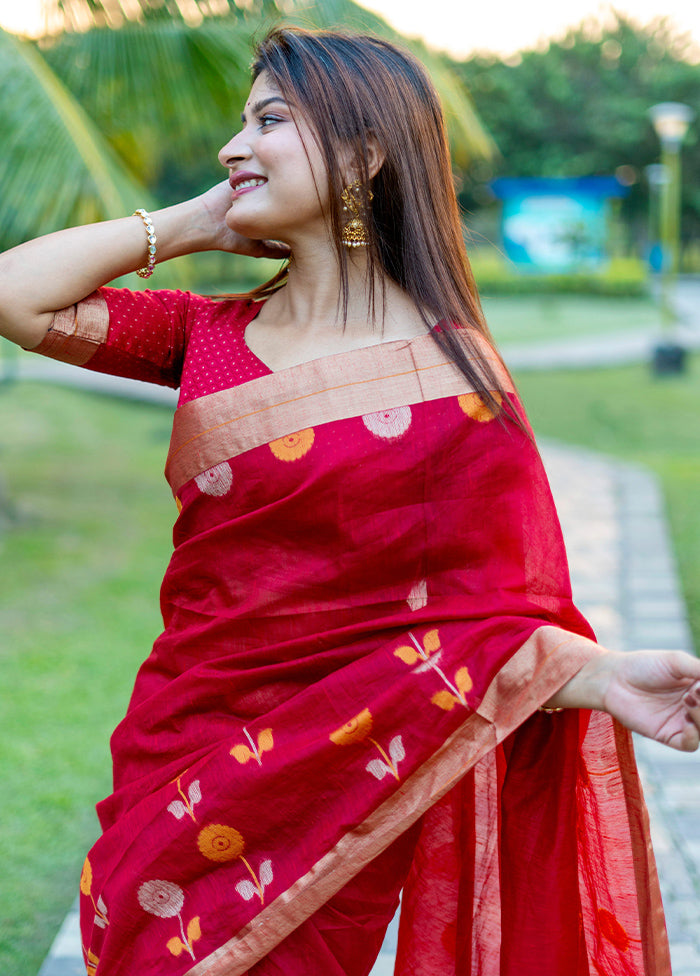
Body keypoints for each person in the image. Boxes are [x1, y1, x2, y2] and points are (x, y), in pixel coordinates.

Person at [1, 25, 698, 976]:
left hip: (335, 764)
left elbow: (490, 614)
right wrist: (200, 219)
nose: (233, 146)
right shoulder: (205, 334)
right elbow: (16, 296)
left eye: (271, 122)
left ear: (367, 153)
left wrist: (599, 677)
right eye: (239, 125)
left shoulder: (454, 378)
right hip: (185, 741)